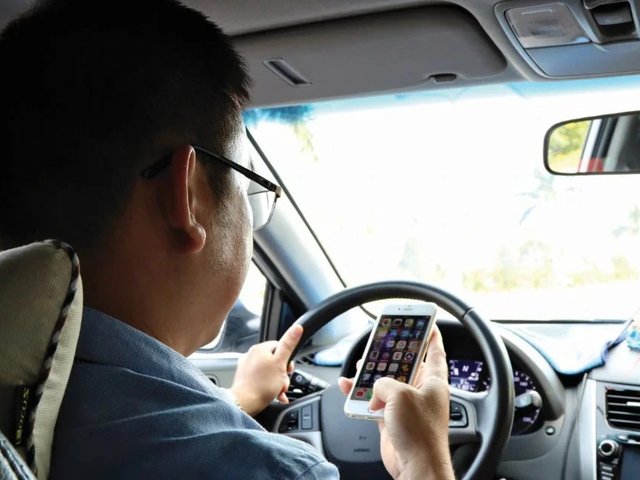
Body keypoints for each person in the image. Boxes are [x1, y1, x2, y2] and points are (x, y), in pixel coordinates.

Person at [0, 0, 455, 479]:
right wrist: (424, 457)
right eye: (247, 185)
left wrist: (238, 399)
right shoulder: (274, 470)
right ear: (188, 197)